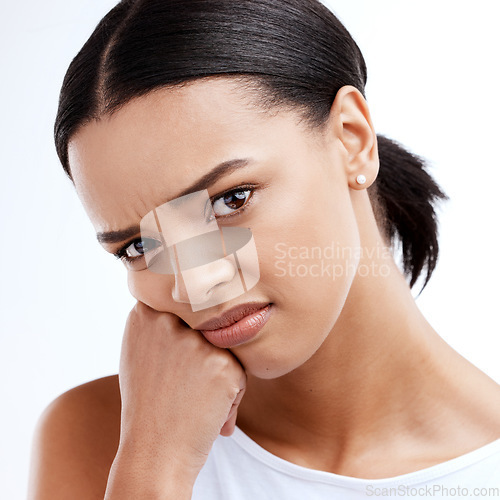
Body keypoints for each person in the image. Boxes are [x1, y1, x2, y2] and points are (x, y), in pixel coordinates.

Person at [28, 0, 500, 498]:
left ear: (351, 139)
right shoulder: (104, 439)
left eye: (230, 199)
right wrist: (153, 468)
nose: (197, 280)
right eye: (139, 245)